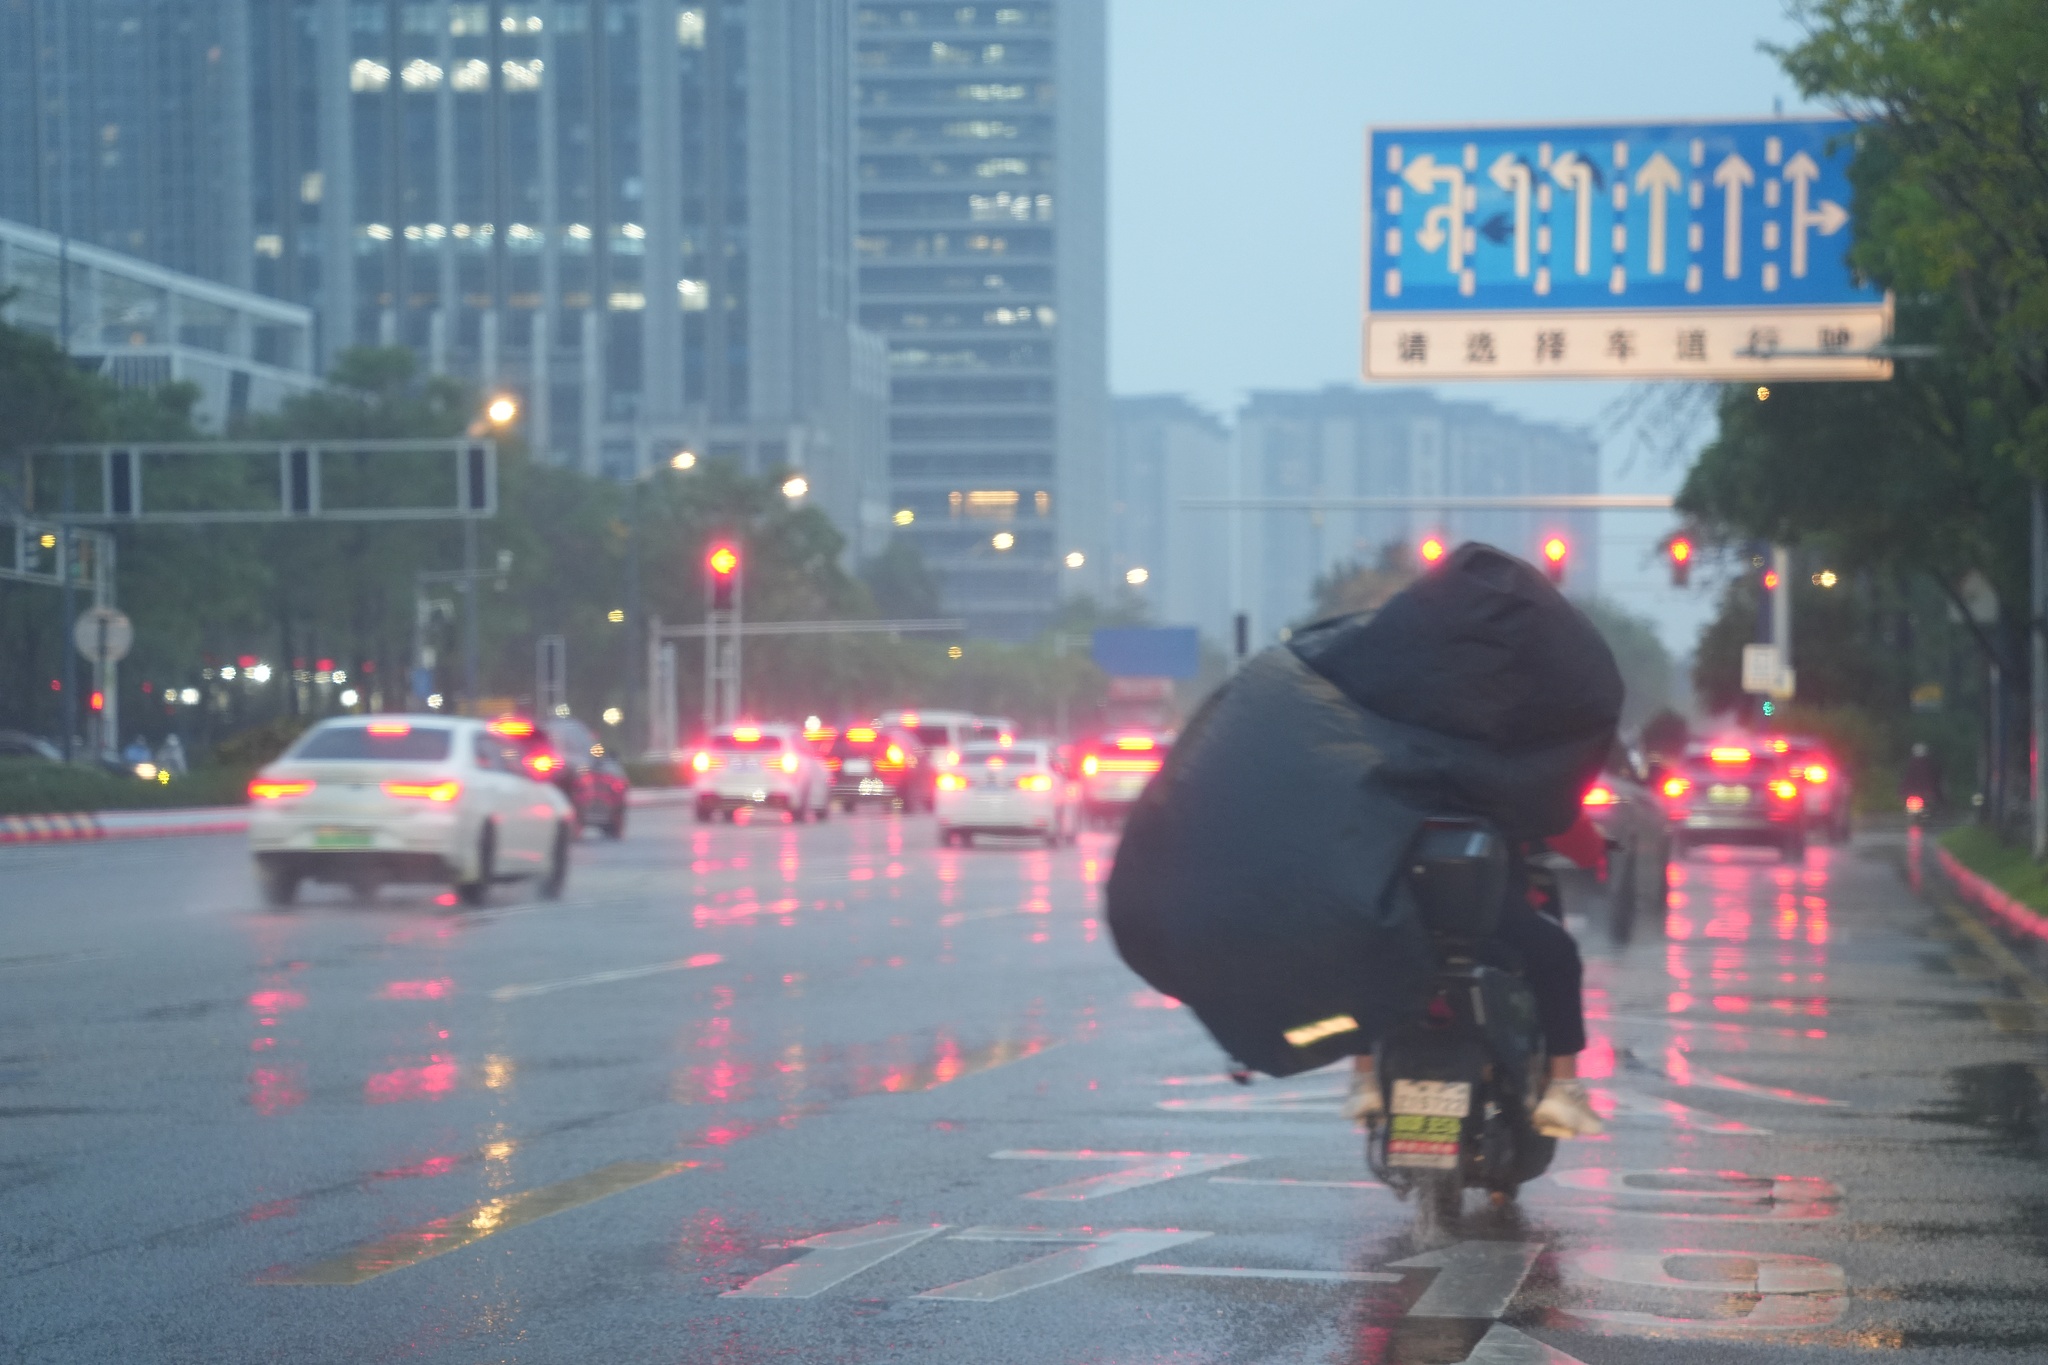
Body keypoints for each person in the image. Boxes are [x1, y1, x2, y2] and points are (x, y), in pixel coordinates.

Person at [1342, 815, 1605, 1139]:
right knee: (1558, 956)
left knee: (1364, 955)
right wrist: (1594, 846)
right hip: (1493, 920)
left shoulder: (1394, 767)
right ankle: (1564, 1084)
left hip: (1404, 915)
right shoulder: (1513, 770)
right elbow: (1576, 837)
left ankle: (1363, 1075)